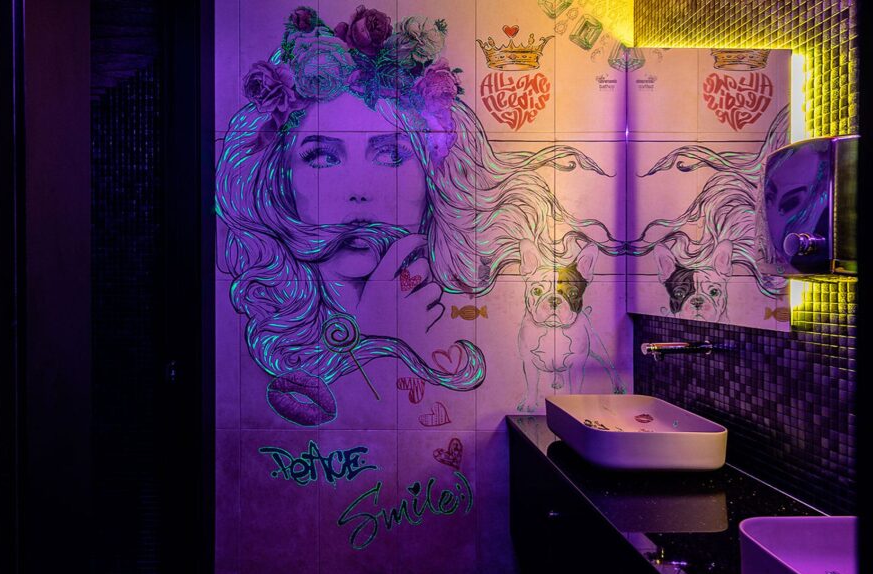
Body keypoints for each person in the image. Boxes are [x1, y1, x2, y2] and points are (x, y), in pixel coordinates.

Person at [215, 5, 608, 425]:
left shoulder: (474, 316)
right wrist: (374, 333)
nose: (359, 192)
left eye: (391, 154)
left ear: (434, 179)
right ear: (280, 183)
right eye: (323, 157)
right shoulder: (277, 321)